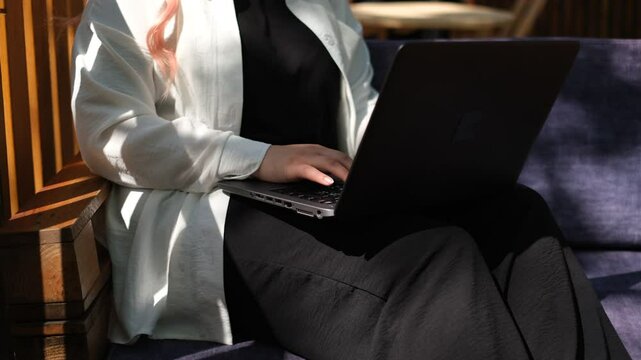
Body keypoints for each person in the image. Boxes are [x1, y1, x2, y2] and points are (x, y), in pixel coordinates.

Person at [71, 0, 630, 359]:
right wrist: (259, 157)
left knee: (516, 215)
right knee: (437, 256)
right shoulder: (129, 7)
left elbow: (359, 115)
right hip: (217, 216)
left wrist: (419, 157)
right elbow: (110, 133)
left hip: (328, 198)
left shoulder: (322, 4)